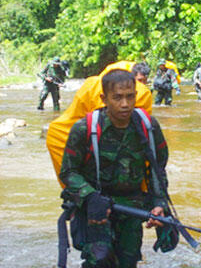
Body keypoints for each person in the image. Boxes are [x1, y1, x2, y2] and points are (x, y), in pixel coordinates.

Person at [59, 69, 170, 267]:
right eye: (117, 97)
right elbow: (68, 172)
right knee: (99, 260)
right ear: (104, 98)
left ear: (136, 96)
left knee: (128, 262)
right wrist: (90, 197)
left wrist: (159, 203)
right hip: (97, 211)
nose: (125, 104)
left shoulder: (148, 127)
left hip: (132, 210)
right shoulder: (84, 129)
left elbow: (158, 169)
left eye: (129, 97)